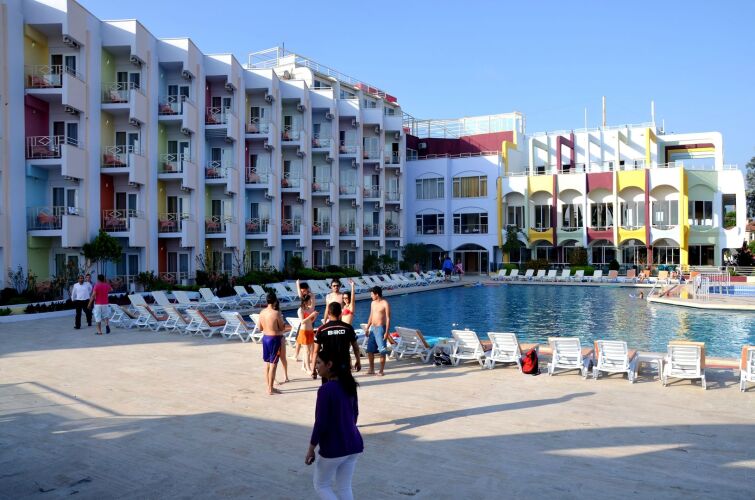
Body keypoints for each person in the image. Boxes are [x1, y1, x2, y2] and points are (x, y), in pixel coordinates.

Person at [305, 348, 363, 499]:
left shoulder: (326, 389)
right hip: (353, 443)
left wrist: (311, 449)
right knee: (344, 487)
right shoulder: (349, 385)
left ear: (329, 364)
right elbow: (355, 414)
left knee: (321, 485)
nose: (316, 366)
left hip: (334, 447)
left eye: (319, 362)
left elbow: (320, 422)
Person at [314, 302, 362, 382]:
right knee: (345, 387)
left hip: (328, 366)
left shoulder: (322, 329)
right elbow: (356, 348)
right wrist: (358, 361)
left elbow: (316, 351)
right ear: (340, 313)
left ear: (328, 313)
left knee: (328, 388)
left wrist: (313, 368)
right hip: (344, 364)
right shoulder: (348, 328)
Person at [259, 293, 287, 395]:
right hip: (274, 339)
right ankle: (270, 389)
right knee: (273, 365)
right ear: (275, 301)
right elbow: (282, 328)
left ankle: (269, 386)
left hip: (265, 338)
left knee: (268, 364)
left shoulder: (262, 312)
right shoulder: (276, 313)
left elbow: (260, 328)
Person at [364, 286, 390, 376]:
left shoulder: (385, 303)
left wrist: (387, 332)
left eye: (372, 294)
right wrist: (367, 328)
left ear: (377, 294)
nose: (371, 296)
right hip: (373, 329)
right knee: (370, 350)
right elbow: (371, 315)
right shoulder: (372, 303)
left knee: (382, 351)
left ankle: (381, 371)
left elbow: (388, 318)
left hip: (380, 329)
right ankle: (371, 369)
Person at [297, 287, 319, 375]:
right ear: (306, 301)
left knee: (308, 350)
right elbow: (302, 321)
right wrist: (311, 316)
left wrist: (314, 317)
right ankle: (308, 368)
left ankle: (304, 366)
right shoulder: (300, 310)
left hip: (310, 331)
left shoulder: (309, 309)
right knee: (307, 351)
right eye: (310, 300)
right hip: (304, 332)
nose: (311, 302)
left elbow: (310, 322)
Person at [294, 279, 315, 362]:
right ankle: (296, 355)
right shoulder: (305, 297)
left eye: (303, 291)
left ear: (307, 289)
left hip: (309, 317)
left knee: (309, 341)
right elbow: (300, 294)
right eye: (301, 291)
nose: (302, 292)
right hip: (307, 317)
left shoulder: (309, 296)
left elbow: (312, 303)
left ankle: (310, 357)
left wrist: (297, 284)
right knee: (300, 338)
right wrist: (297, 284)